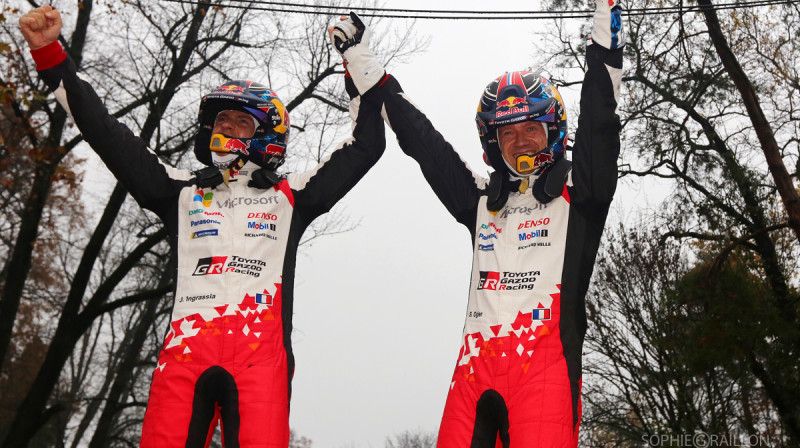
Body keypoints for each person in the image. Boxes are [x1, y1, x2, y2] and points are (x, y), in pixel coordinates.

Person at [20, 6, 386, 447]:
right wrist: (50, 55)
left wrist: (357, 58)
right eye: (220, 121)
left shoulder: (292, 196)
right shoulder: (178, 191)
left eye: (240, 122)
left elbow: (367, 145)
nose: (225, 128)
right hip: (184, 359)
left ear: (266, 136)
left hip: (259, 366)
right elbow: (103, 131)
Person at [331, 2, 624, 446]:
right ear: (493, 142)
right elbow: (423, 142)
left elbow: (601, 122)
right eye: (507, 132)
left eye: (530, 127)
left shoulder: (580, 195)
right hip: (474, 373)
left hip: (544, 374)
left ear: (553, 130)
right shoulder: (483, 201)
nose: (519, 139)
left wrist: (607, 22)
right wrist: (359, 59)